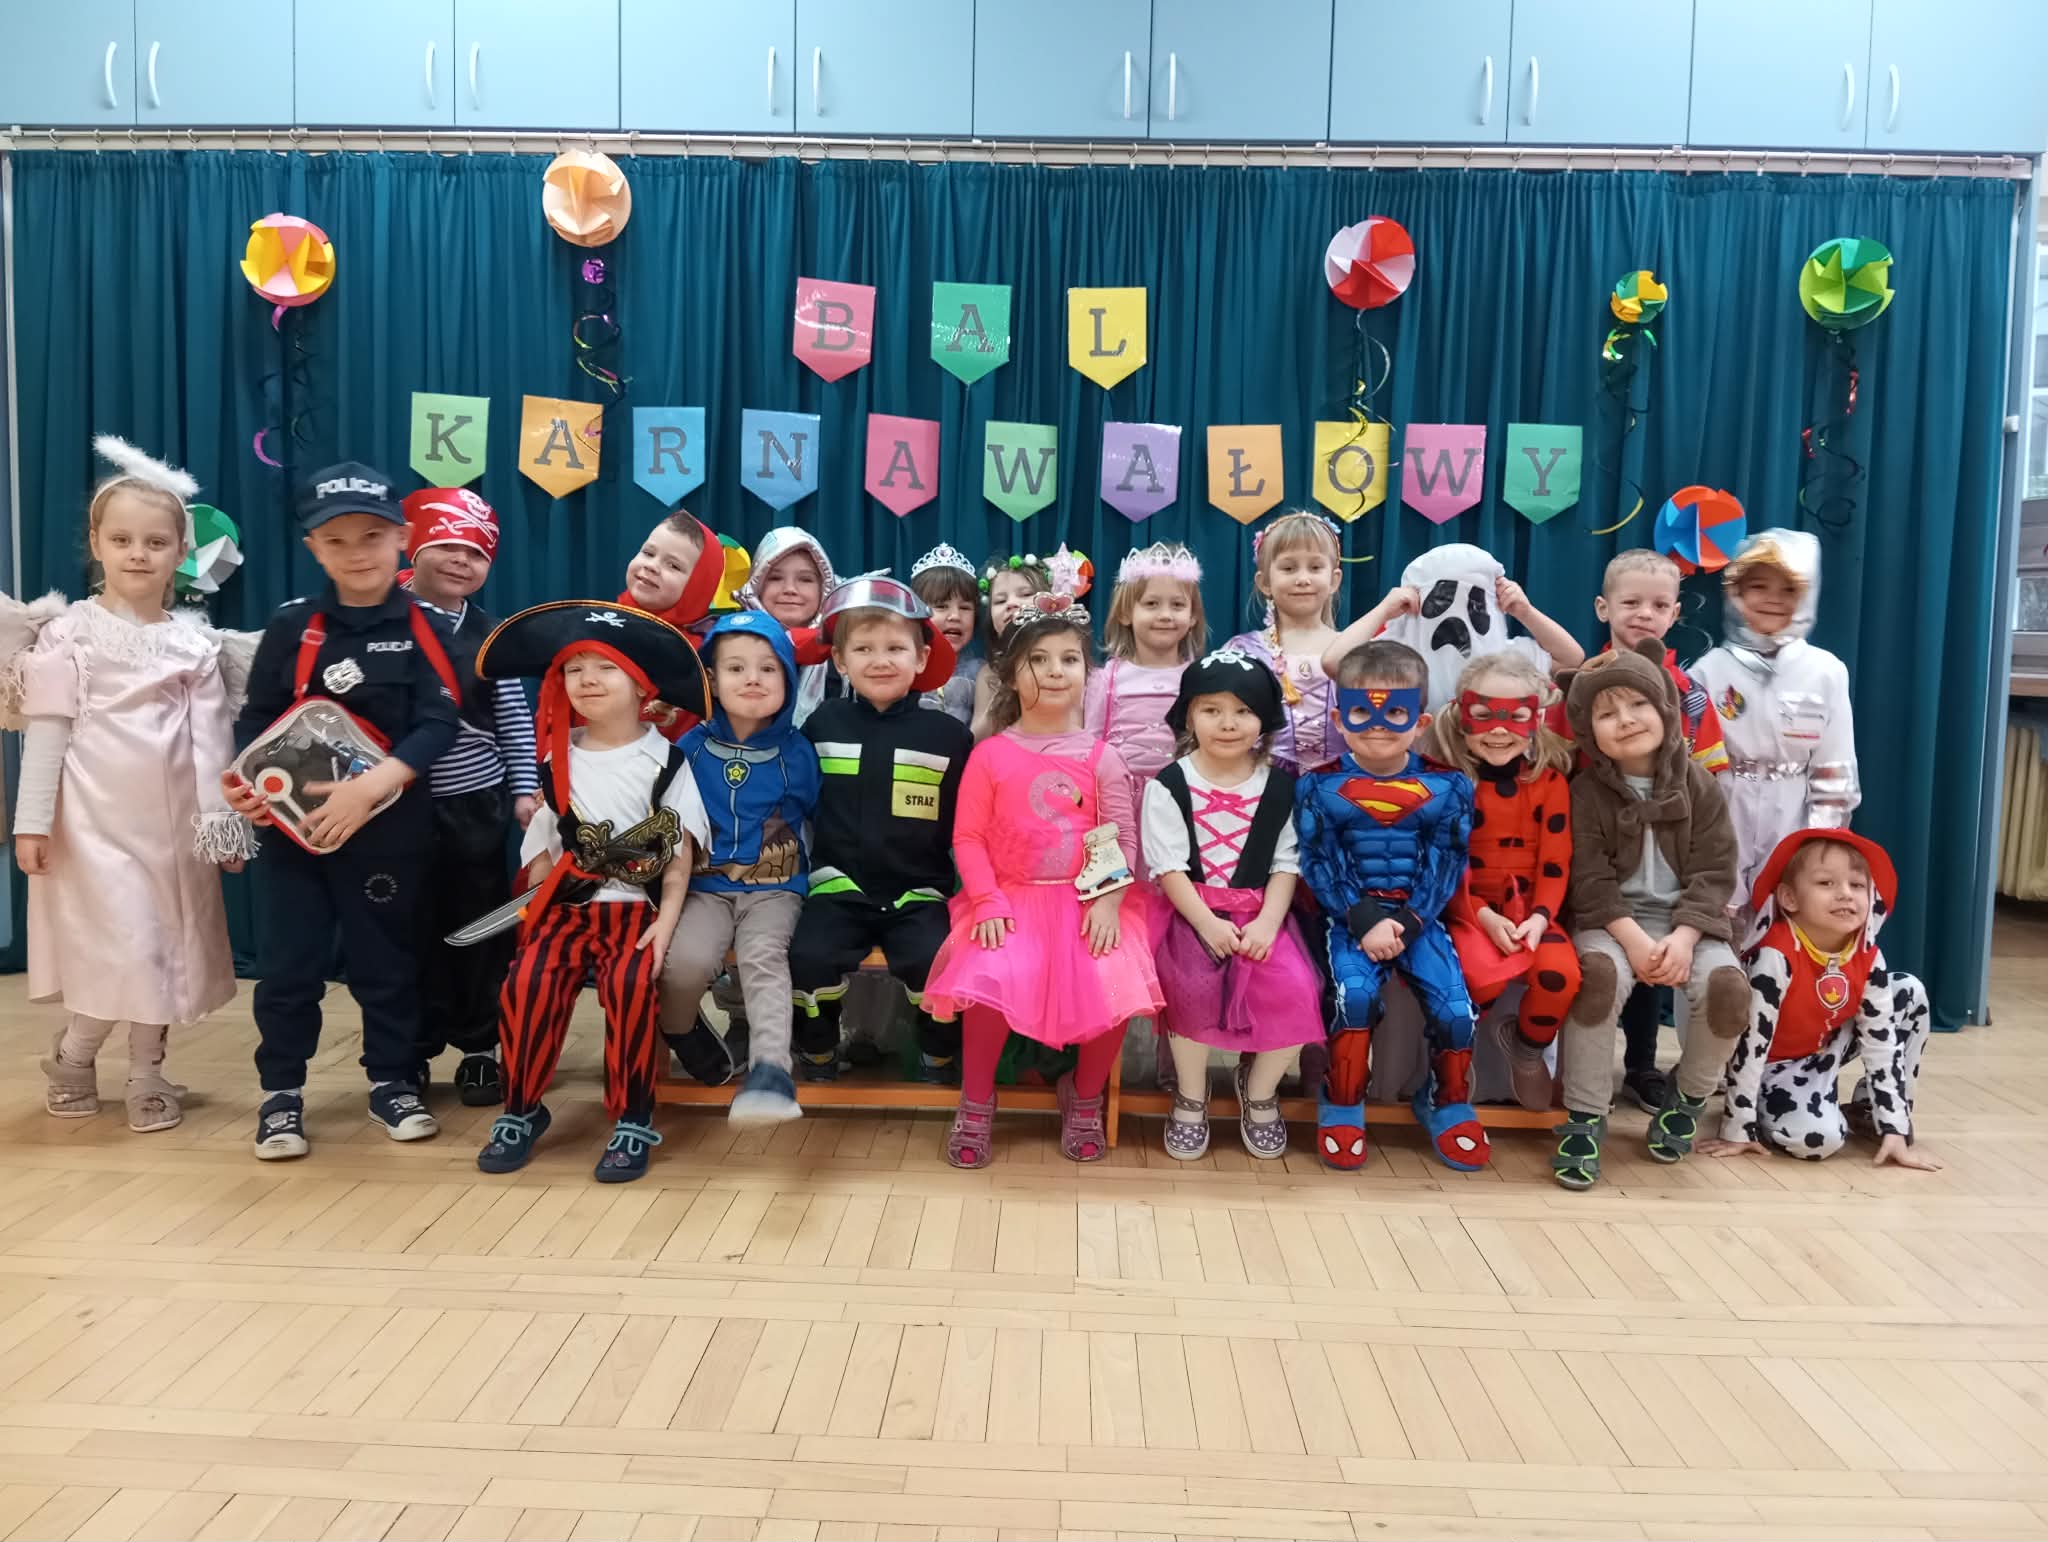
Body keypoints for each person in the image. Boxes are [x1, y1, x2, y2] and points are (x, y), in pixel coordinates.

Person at [3, 436, 251, 1133]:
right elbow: (47, 732)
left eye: (155, 542)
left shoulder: (194, 646)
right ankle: (76, 1055)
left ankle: (147, 1071)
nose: (138, 554)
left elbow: (211, 741)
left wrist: (222, 826)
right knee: (120, 947)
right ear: (97, 544)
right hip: (91, 828)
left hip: (171, 831)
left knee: (165, 952)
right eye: (122, 540)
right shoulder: (69, 635)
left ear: (180, 552)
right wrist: (31, 823)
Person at [223, 462, 462, 1160]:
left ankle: (392, 1081)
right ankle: (281, 1094)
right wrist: (245, 786)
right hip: (296, 837)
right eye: (336, 540)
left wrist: (371, 788)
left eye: (372, 536)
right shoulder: (293, 625)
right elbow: (258, 721)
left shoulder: (425, 625)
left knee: (385, 962)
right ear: (313, 548)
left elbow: (440, 721)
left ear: (402, 538)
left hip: (390, 835)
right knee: (289, 966)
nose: (356, 552)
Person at [472, 601, 712, 1182]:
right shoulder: (557, 758)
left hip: (636, 913)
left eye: (605, 667)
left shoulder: (666, 761)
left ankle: (632, 1116)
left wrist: (665, 925)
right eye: (574, 669)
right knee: (527, 984)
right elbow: (542, 852)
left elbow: (679, 857)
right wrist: (536, 917)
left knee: (631, 989)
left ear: (642, 687)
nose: (587, 680)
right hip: (565, 911)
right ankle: (521, 1108)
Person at [923, 593, 1164, 1168]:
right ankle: (977, 1100)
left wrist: (1108, 904)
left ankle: (1084, 1096)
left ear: (1087, 674)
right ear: (1010, 674)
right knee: (990, 973)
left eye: (1069, 659)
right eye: (1039, 660)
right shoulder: (989, 755)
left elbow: (1121, 839)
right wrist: (987, 901)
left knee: (1114, 978)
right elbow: (968, 838)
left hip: (1087, 903)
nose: (1056, 671)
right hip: (1008, 899)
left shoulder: (1103, 758)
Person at [1554, 640, 1748, 1190]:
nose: (1626, 720)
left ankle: (1687, 1098)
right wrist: (1634, 941)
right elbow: (1588, 878)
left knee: (1728, 989)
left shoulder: (1700, 785)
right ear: (1588, 731)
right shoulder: (1584, 793)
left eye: (1637, 704)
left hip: (1689, 923)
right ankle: (1586, 1114)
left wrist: (1684, 938)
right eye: (1607, 713)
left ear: (1664, 707)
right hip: (1612, 922)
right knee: (1597, 978)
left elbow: (1715, 870)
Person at [1296, 640, 1490, 1173]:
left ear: (1420, 721)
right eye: (1362, 712)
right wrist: (1363, 920)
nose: (1378, 725)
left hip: (1418, 921)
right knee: (1353, 998)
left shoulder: (1448, 785)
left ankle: (1446, 1100)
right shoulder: (1318, 785)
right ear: (1340, 717)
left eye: (1395, 712)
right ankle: (1342, 1099)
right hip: (1349, 921)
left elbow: (1447, 863)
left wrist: (1406, 922)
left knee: (1455, 1013)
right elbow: (1318, 861)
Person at [788, 577, 970, 1101]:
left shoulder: (951, 738)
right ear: (840, 661)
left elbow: (969, 822)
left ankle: (938, 1053)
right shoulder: (821, 724)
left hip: (920, 893)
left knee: (937, 959)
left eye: (895, 648)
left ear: (922, 658)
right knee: (809, 955)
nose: (880, 660)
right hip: (836, 888)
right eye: (864, 649)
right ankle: (818, 1049)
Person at [1142, 648, 1323, 1160]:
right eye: (1212, 710)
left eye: (1243, 711)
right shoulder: (1169, 784)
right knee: (1189, 991)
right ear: (1188, 717)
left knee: (1298, 990)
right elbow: (1169, 869)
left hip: (1262, 915)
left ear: (1264, 720)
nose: (1228, 723)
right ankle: (1190, 1094)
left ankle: (1259, 1089)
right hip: (1191, 916)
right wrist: (1207, 925)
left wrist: (1267, 923)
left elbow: (1285, 865)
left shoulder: (1282, 788)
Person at [399, 486, 539, 1106]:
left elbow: (514, 720)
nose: (461, 560)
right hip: (393, 808)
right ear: (413, 545)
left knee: (479, 928)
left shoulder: (491, 635)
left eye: (477, 553)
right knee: (404, 931)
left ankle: (481, 1046)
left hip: (473, 807)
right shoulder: (378, 620)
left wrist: (525, 790)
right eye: (448, 545)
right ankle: (407, 1050)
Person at [657, 611, 820, 1119]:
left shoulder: (800, 752)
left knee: (763, 958)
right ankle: (680, 1029)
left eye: (768, 669)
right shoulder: (690, 747)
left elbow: (815, 814)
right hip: (703, 888)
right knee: (683, 963)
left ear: (788, 680)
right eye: (736, 668)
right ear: (711, 679)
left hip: (775, 888)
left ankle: (771, 1071)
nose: (752, 679)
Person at [1704, 828, 1938, 1170]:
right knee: (1819, 1140)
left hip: (1828, 1046)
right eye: (1826, 883)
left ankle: (1870, 1111)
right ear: (1789, 898)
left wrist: (1895, 1127)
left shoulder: (1867, 954)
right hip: (1776, 1066)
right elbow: (1751, 1045)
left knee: (1909, 992)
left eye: (1857, 885)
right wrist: (1738, 1126)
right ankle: (1770, 1111)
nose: (1845, 894)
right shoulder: (1775, 955)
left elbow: (1882, 1041)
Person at [1592, 547, 1729, 1116]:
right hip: (1599, 843)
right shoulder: (1584, 681)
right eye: (1631, 602)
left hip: (1666, 850)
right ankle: (1582, 1076)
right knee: (1602, 961)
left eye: (1658, 605)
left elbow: (1711, 775)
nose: (1643, 614)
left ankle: (1642, 1067)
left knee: (1655, 957)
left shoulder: (1690, 693)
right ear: (1604, 608)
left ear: (1675, 614)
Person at [1432, 652, 1579, 1111]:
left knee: (1560, 976)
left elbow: (1555, 863)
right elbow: (1447, 868)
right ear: (1462, 716)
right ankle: (1456, 1057)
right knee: (1479, 979)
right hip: (1468, 913)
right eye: (1484, 715)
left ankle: (1527, 1048)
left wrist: (1539, 919)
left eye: (1515, 717)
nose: (1499, 730)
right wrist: (1482, 917)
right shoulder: (1448, 784)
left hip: (1532, 913)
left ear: (1536, 719)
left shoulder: (1549, 784)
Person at [1689, 530, 1858, 907]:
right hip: (1724, 806)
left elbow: (1835, 765)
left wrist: (1820, 841)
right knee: (1720, 904)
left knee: (1783, 903)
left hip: (1792, 809)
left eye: (1788, 590)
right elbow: (1691, 761)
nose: (1773, 599)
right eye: (1758, 586)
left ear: (1806, 596)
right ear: (1735, 593)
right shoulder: (1709, 670)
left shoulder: (1825, 671)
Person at [1330, 543, 1585, 707]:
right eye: (1441, 601)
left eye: (1474, 604)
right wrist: (1384, 610)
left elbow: (1571, 659)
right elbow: (1334, 662)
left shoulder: (1507, 659)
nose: (1455, 620)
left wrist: (1526, 612)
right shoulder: (1395, 655)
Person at [1087, 541, 1206, 846]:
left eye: (1177, 605)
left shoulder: (1199, 679)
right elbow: (1090, 746)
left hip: (1182, 802)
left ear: (1193, 616)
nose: (1165, 615)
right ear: (1126, 613)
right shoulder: (1106, 680)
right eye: (1151, 604)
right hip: (1120, 807)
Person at [1227, 511, 1347, 776]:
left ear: (1334, 580)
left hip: (1339, 788)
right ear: (1264, 582)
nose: (1302, 578)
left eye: (1315, 567)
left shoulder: (1352, 649)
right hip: (1265, 785)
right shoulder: (1243, 651)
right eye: (1289, 568)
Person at [738, 527, 844, 725]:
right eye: (775, 578)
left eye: (805, 579)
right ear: (756, 585)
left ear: (825, 587)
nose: (790, 589)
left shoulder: (842, 653)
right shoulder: (732, 644)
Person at [970, 552, 1053, 739]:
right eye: (1000, 601)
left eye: (1025, 594)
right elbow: (976, 738)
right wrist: (1004, 690)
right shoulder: (990, 673)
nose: (1011, 604)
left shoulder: (1060, 662)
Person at [910, 542, 982, 725]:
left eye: (965, 608)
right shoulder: (905, 667)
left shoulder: (981, 674)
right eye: (941, 606)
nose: (955, 616)